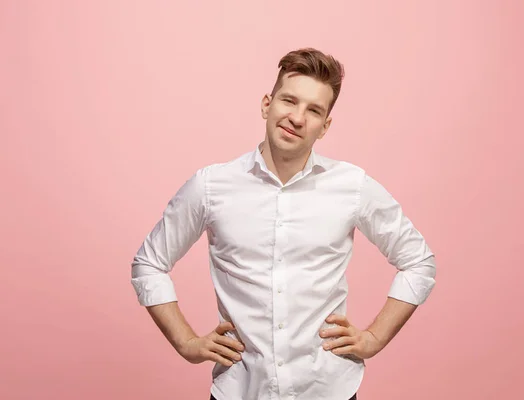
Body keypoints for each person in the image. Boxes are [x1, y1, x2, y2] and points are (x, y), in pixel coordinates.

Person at [130, 47, 437, 400]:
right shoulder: (211, 186)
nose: (297, 117)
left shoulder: (352, 186)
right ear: (266, 104)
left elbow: (418, 261)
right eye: (289, 101)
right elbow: (149, 264)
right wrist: (186, 342)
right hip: (240, 390)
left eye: (314, 110)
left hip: (329, 389)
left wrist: (375, 337)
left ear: (325, 126)